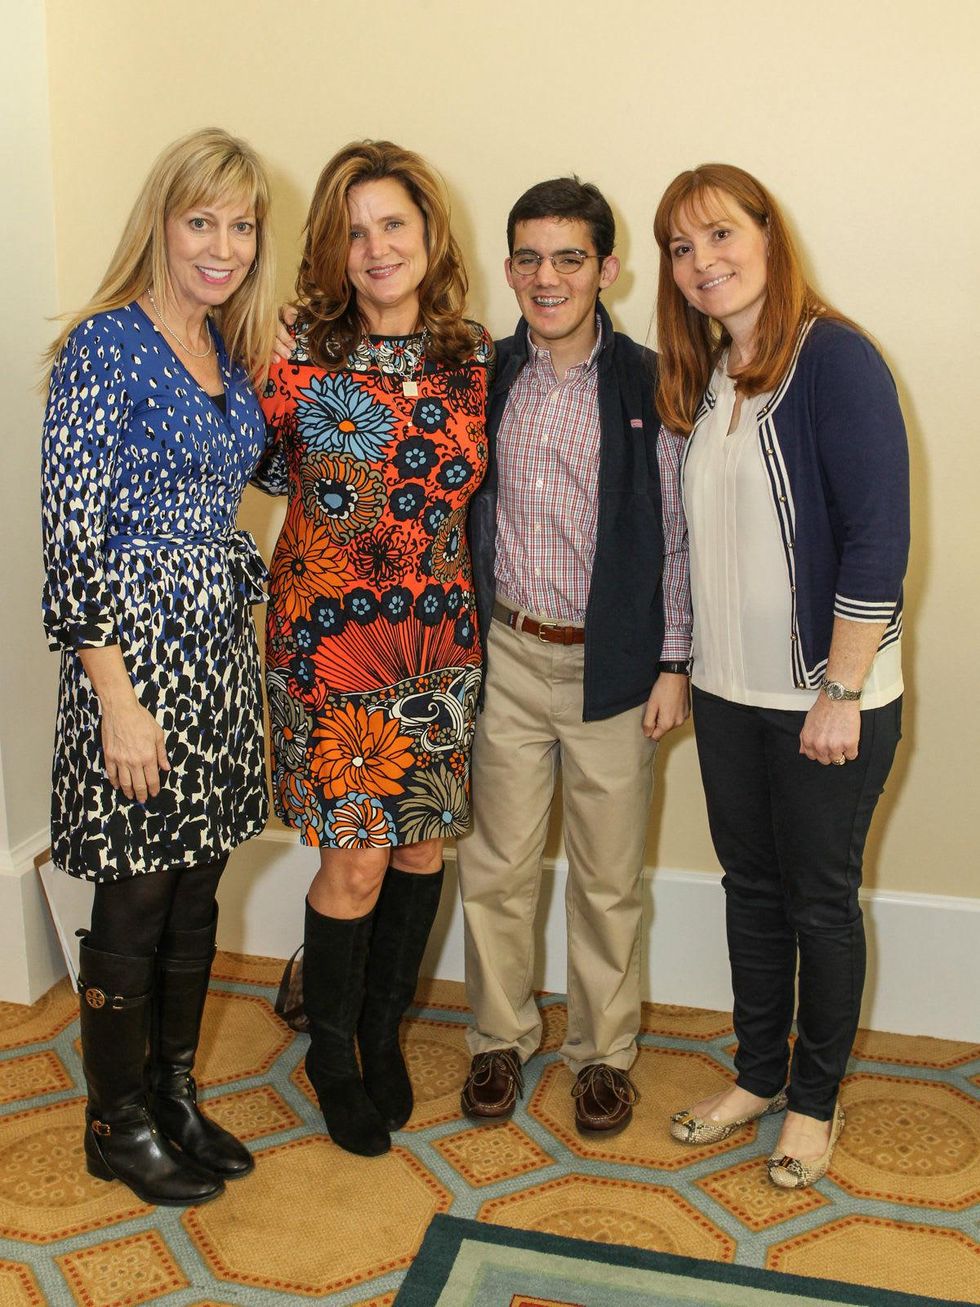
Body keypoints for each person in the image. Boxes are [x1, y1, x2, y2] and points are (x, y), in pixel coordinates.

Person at [653, 164, 909, 1187]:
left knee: (817, 901)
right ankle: (756, 1075)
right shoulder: (711, 368)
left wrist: (840, 689)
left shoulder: (833, 359)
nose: (701, 261)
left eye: (718, 235)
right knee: (749, 891)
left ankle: (811, 1102)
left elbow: (874, 537)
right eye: (681, 247)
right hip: (727, 692)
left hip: (823, 700)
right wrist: (683, 666)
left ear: (766, 235)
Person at [41, 128, 277, 1206]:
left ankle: (174, 1092)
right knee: (134, 898)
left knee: (196, 889)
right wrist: (117, 701)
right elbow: (69, 536)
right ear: (162, 221)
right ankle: (115, 1118)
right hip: (133, 661)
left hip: (215, 655)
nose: (222, 245)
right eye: (201, 221)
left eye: (241, 224)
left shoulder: (231, 353)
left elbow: (271, 465)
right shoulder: (103, 346)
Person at [255, 141, 493, 1158]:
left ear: (429, 234)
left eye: (392, 223)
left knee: (420, 845)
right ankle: (334, 1054)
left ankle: (382, 1026)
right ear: (332, 249)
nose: (375, 247)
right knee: (352, 863)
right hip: (327, 645)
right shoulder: (295, 350)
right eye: (354, 231)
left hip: (438, 642)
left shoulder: (476, 356)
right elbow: (243, 463)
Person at [456, 178, 692, 1136]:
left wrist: (674, 661)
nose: (545, 278)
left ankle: (603, 1054)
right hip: (506, 651)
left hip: (614, 668)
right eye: (527, 257)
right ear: (508, 267)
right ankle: (497, 1040)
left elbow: (674, 534)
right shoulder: (481, 372)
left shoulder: (649, 382)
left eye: (568, 258)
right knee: (498, 863)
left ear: (606, 268)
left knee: (606, 875)